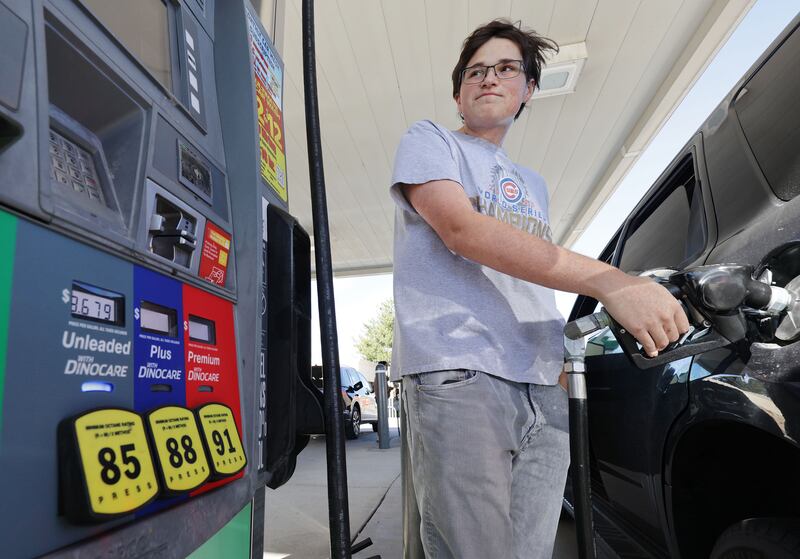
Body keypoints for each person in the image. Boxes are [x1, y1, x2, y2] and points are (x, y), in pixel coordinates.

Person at [389, 19, 690, 559]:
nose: (488, 78)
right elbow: (462, 231)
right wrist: (610, 281)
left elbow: (528, 272)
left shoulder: (533, 183)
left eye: (506, 69)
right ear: (458, 93)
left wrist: (556, 358)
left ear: (528, 90)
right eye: (475, 71)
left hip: (542, 384)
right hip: (462, 369)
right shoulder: (430, 140)